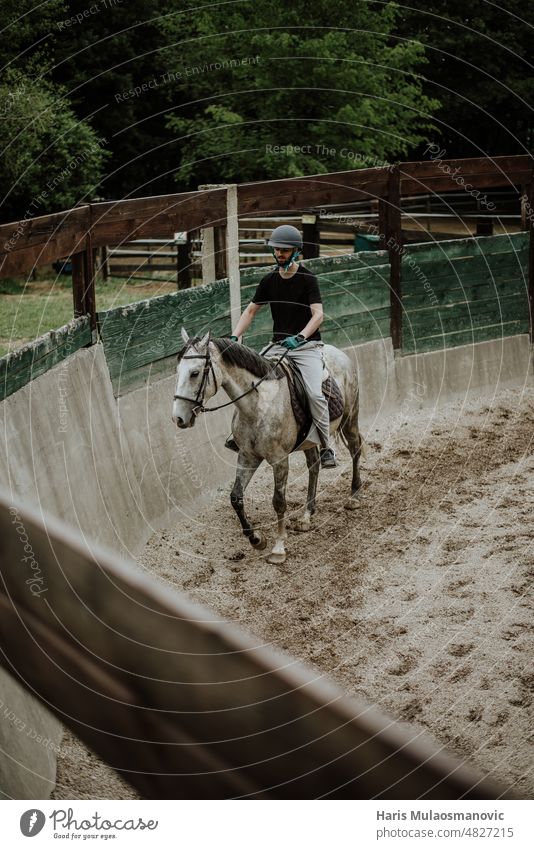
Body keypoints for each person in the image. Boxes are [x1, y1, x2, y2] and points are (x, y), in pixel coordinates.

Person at [227, 224, 336, 468]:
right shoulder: (269, 280)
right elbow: (251, 310)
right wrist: (235, 337)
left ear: (296, 251)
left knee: (314, 393)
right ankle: (238, 436)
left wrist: (300, 337)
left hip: (307, 348)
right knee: (248, 382)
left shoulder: (308, 279)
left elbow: (318, 315)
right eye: (277, 250)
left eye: (285, 251)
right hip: (277, 347)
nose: (280, 255)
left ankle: (327, 446)